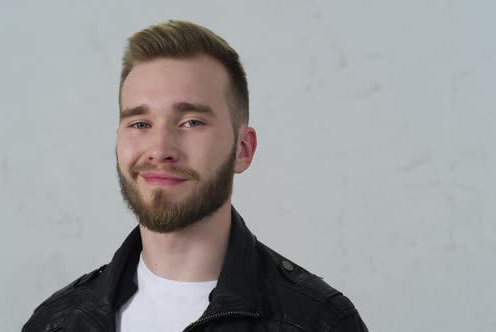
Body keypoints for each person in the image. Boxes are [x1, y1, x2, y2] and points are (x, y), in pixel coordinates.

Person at [22, 20, 368, 332]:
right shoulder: (58, 322)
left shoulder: (319, 323)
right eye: (140, 124)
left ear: (243, 150)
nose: (160, 149)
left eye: (191, 122)